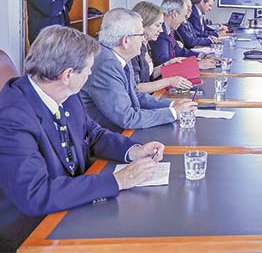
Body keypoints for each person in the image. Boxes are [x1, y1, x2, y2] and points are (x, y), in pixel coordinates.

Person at [0, 25, 165, 250]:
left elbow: (92, 133)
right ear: (67, 74)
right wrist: (118, 181)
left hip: (71, 206)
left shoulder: (64, 93)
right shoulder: (12, 117)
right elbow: (35, 195)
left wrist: (133, 150)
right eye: (88, 69)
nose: (89, 74)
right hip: (31, 231)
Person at [80, 8, 197, 131]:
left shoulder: (121, 56)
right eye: (141, 35)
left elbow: (136, 95)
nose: (143, 39)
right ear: (125, 41)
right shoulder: (106, 64)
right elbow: (126, 118)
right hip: (109, 137)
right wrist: (173, 113)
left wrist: (173, 105)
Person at [131, 1, 195, 94]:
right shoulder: (133, 50)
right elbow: (136, 87)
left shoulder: (146, 44)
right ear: (143, 25)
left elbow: (149, 76)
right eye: (157, 25)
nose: (161, 30)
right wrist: (169, 81)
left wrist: (167, 64)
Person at [149, 0, 201, 66]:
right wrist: (196, 64)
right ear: (174, 14)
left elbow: (179, 52)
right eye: (184, 16)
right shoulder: (160, 33)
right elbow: (164, 63)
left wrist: (202, 56)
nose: (183, 20)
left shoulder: (169, 30)